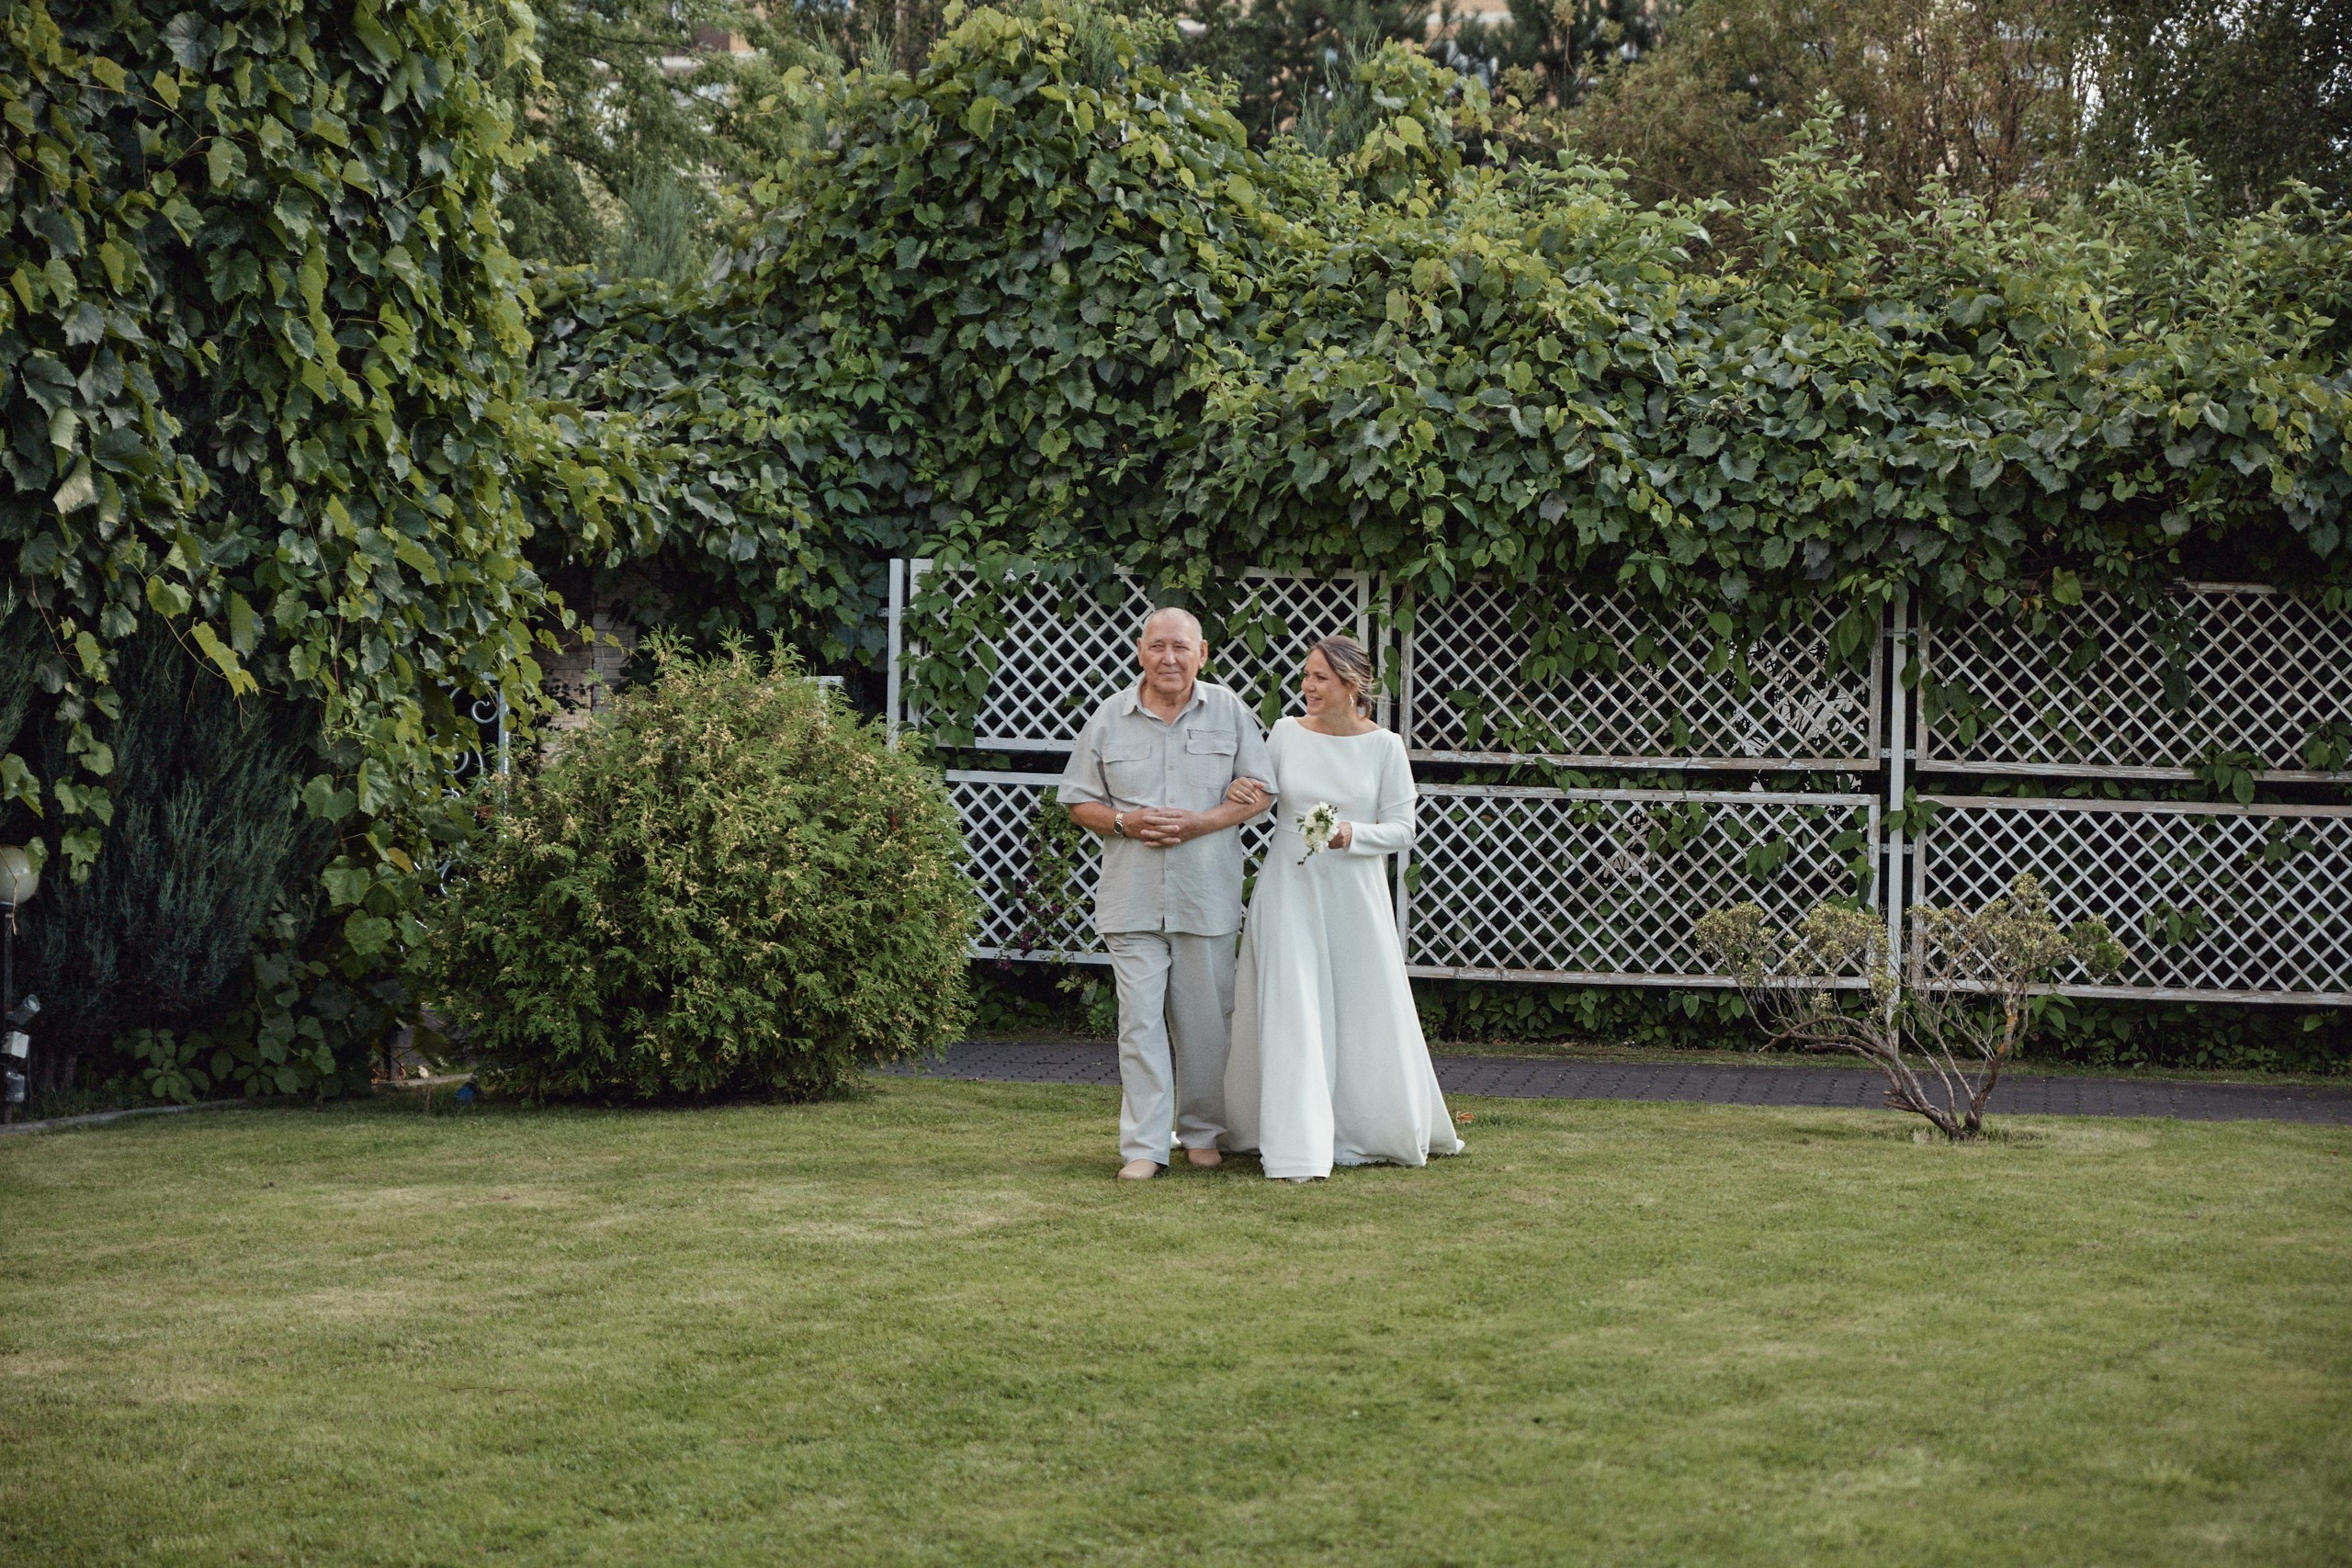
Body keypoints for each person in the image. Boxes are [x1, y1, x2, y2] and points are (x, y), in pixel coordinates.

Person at [1221, 635, 1463, 1182]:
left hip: (1354, 896)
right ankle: (1292, 1139)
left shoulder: (1385, 748)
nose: (1307, 687)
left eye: (1320, 679)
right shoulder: (1284, 733)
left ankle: (1364, 1124)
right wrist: (1241, 792)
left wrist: (1349, 833)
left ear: (1352, 687)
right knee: (1291, 1004)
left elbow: (1404, 830)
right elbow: (1264, 800)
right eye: (1306, 676)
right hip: (1289, 891)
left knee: (1359, 1007)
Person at [1059, 608, 1276, 1180]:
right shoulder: (1109, 718)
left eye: (1181, 647)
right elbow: (1078, 799)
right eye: (1158, 646)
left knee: (1207, 1023)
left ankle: (1202, 1133)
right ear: (1140, 651)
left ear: (1202, 653)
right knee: (1139, 1024)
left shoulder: (1229, 710)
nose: (1169, 658)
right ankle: (1145, 1147)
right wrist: (1126, 823)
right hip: (1131, 900)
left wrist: (1202, 823)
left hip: (1207, 898)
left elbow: (1262, 794)